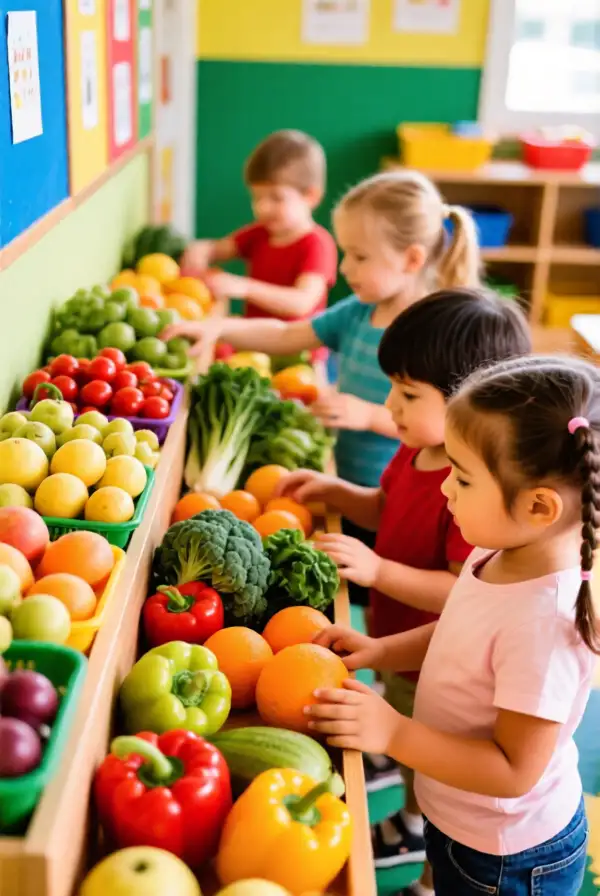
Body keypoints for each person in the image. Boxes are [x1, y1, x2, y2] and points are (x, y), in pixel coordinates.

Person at [307, 354, 599, 896]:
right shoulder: (494, 551)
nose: (445, 490)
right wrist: (379, 650)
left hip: (510, 858)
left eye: (461, 478)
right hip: (461, 818)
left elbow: (513, 770)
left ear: (539, 507)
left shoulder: (544, 626)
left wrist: (394, 732)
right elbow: (457, 632)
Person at [278, 288, 531, 894]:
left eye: (407, 394)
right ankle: (412, 808)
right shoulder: (416, 450)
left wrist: (377, 572)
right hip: (400, 641)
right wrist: (339, 493)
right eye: (392, 387)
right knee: (407, 731)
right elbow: (386, 505)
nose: (387, 404)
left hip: (439, 664)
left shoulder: (469, 492)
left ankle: (416, 828)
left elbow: (458, 592)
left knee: (431, 749)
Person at [163, 170, 482, 603]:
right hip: (358, 489)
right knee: (368, 594)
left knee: (388, 592)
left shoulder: (438, 337)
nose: (344, 267)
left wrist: (370, 415)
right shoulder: (358, 310)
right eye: (345, 253)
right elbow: (286, 334)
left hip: (408, 499)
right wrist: (218, 328)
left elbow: (453, 425)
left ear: (410, 259)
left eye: (359, 256)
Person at [180, 129, 338, 326]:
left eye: (276, 198)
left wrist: (244, 288)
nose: (263, 208)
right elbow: (218, 248)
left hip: (298, 353)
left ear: (311, 196)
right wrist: (201, 250)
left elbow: (301, 302)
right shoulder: (259, 233)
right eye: (257, 197)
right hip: (253, 347)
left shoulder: (317, 244)